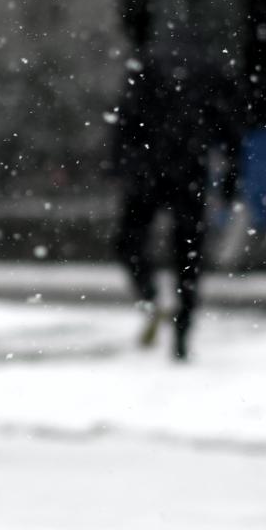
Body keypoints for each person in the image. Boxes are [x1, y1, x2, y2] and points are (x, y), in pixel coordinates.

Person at [110, 41, 240, 361]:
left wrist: (121, 166)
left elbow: (125, 122)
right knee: (188, 257)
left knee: (130, 244)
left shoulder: (147, 69)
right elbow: (229, 131)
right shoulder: (211, 73)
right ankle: (182, 331)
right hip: (188, 174)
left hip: (149, 174)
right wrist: (229, 181)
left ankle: (152, 300)